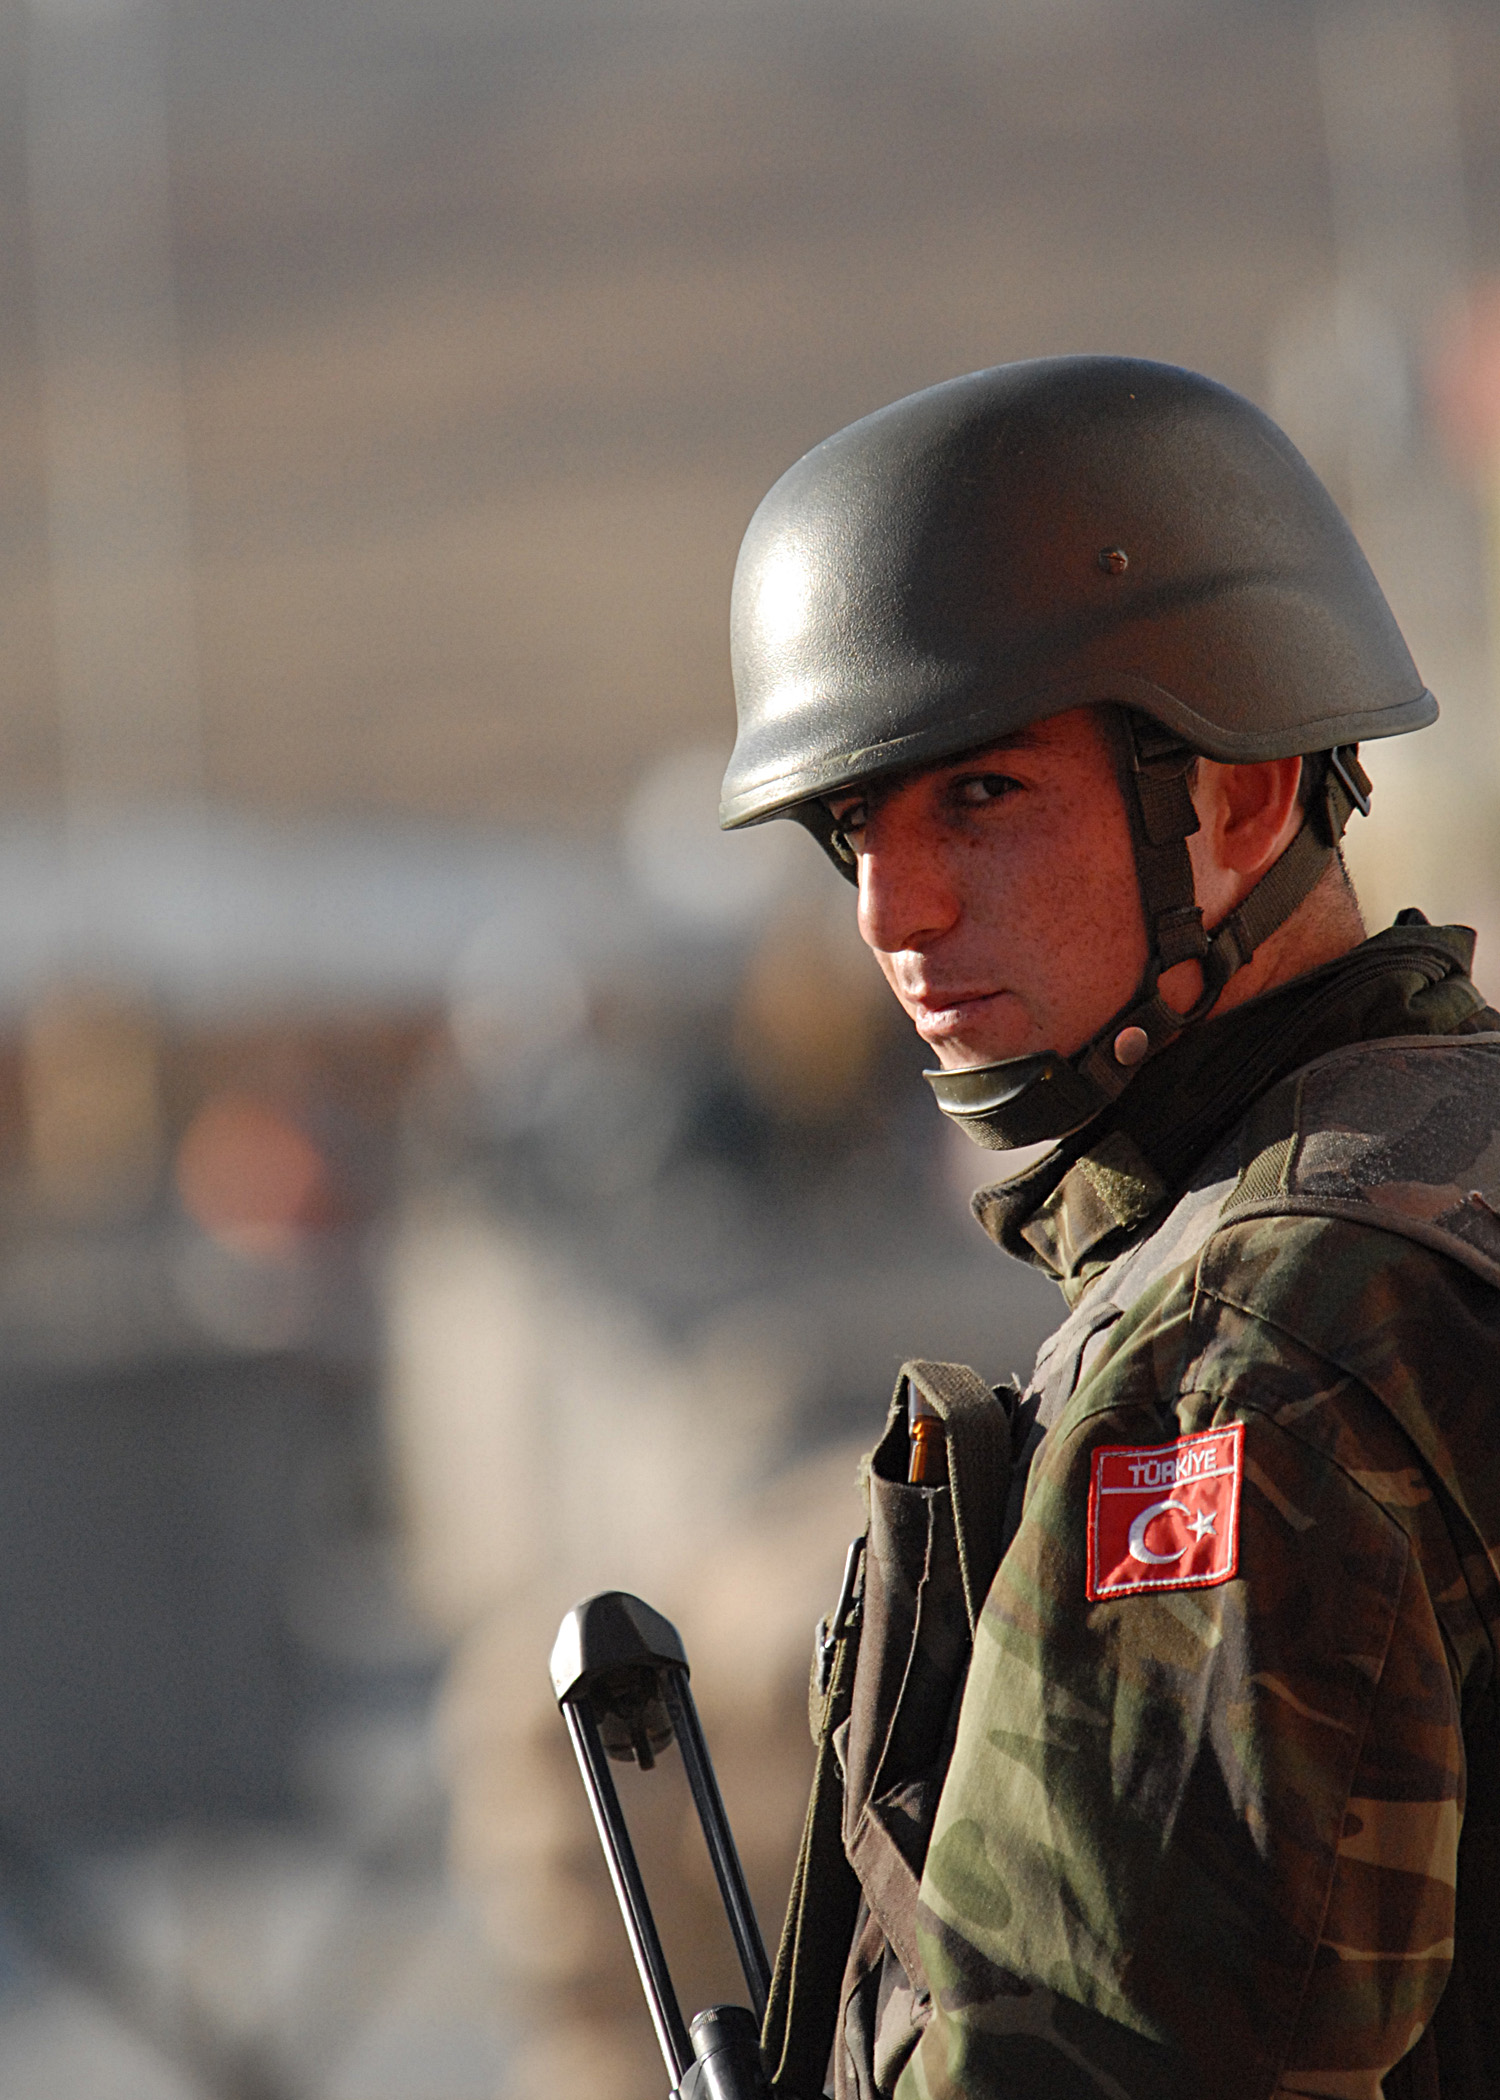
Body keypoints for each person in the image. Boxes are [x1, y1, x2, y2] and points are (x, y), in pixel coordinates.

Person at [719, 357, 1500, 2100]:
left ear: (1238, 797)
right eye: (855, 829)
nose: (890, 914)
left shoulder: (1251, 1357)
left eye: (977, 799)